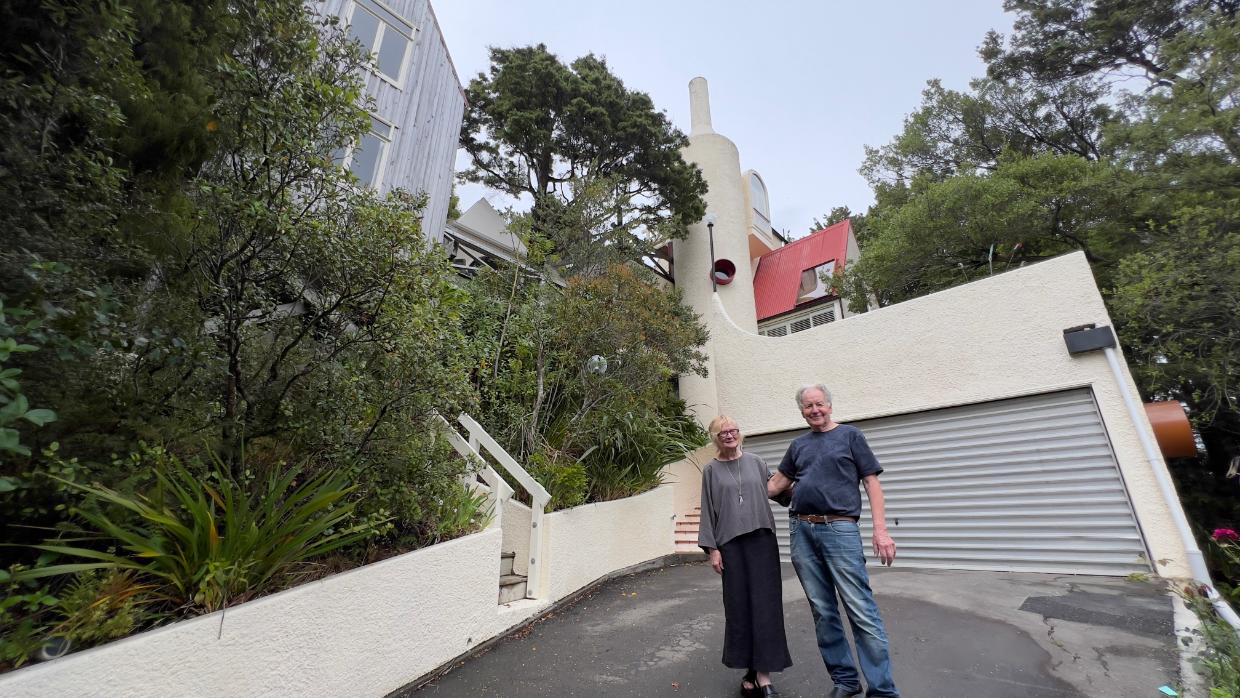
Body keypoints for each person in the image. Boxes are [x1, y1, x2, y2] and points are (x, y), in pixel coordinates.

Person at [767, 385, 900, 698]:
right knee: (823, 610)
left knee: (860, 609)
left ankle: (882, 691)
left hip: (840, 529)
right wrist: (738, 476)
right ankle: (845, 680)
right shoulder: (798, 445)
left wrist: (881, 530)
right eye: (808, 406)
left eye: (819, 404)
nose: (815, 410)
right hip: (802, 531)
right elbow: (775, 485)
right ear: (802, 411)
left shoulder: (850, 436)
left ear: (829, 405)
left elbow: (871, 483)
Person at [698, 415, 793, 697]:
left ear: (740, 434)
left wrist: (801, 479)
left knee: (765, 606)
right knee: (740, 608)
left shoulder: (757, 462)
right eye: (723, 432)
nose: (729, 435)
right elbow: (707, 510)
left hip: (761, 541)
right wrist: (713, 549)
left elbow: (779, 490)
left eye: (733, 430)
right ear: (715, 438)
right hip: (730, 546)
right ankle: (751, 672)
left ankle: (763, 676)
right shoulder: (711, 470)